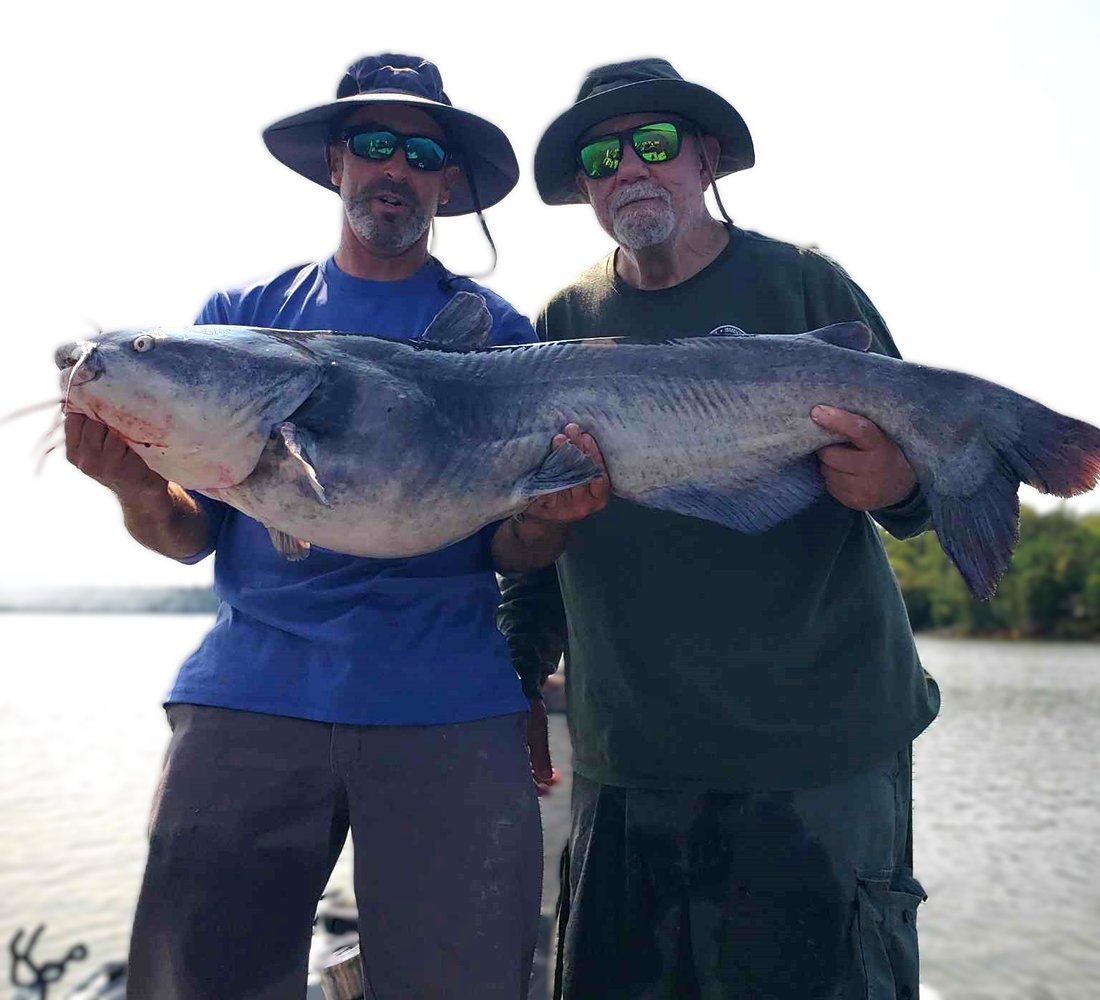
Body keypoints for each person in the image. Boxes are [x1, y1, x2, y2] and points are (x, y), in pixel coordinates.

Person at [63, 54, 605, 1000]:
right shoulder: (240, 320)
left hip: (444, 701)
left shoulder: (499, 338)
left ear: (446, 180)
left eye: (421, 149)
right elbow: (192, 534)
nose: (394, 167)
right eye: (373, 143)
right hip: (252, 694)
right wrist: (133, 488)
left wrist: (551, 520)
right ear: (335, 165)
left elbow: (511, 548)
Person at [498, 58, 942, 999]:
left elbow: (927, 481)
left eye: (654, 144)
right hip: (630, 764)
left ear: (704, 160)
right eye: (603, 157)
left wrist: (897, 479)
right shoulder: (556, 325)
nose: (631, 169)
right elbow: (533, 545)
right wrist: (517, 677)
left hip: (819, 755)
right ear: (585, 188)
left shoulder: (806, 289)